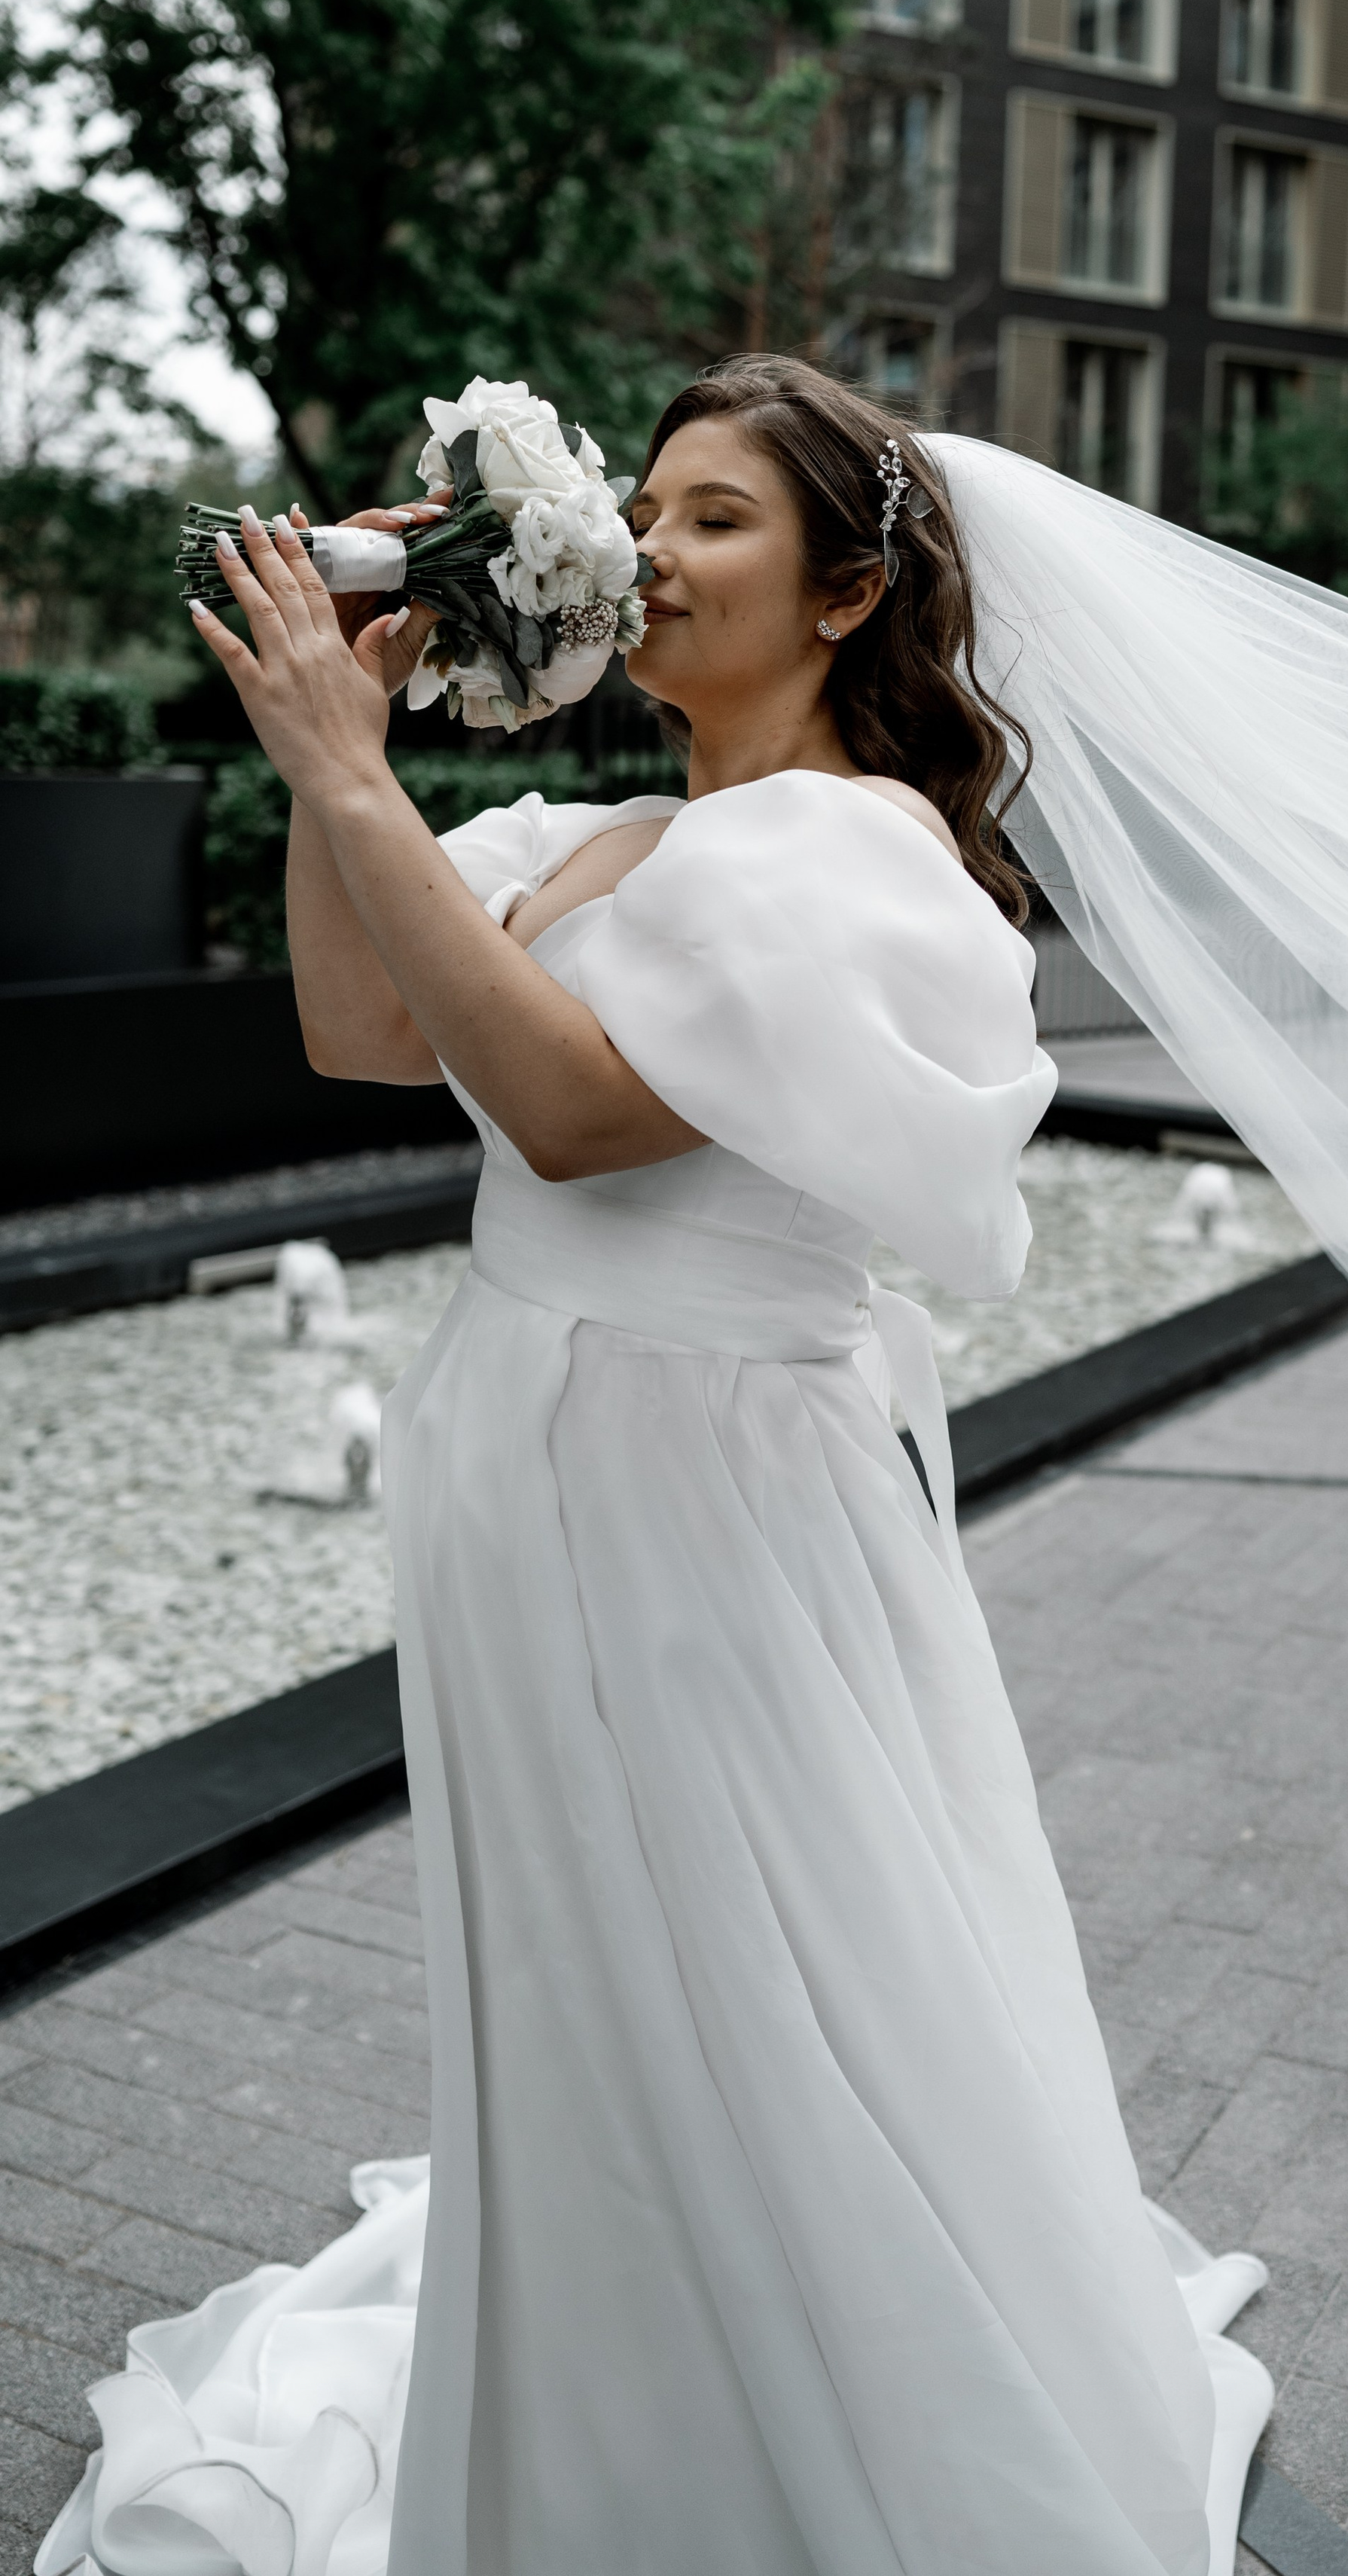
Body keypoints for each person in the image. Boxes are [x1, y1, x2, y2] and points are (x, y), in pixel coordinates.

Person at [39, 358, 1272, 2576]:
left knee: (749, 1956)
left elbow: (593, 1110)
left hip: (704, 1484)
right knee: (591, 1969)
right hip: (525, 1453)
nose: (649, 546)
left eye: (717, 517)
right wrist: (359, 780)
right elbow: (372, 1037)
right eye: (645, 501)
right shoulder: (610, 835)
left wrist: (347, 780)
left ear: (846, 593)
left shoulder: (853, 854)